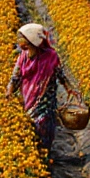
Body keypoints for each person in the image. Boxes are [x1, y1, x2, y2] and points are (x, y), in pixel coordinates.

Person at [6, 23, 77, 151]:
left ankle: (45, 152)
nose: (23, 45)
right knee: (31, 125)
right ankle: (35, 154)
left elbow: (60, 74)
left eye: (25, 42)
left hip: (46, 100)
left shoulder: (50, 56)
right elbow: (15, 77)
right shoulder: (23, 56)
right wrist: (9, 91)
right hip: (29, 98)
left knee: (43, 124)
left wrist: (69, 88)